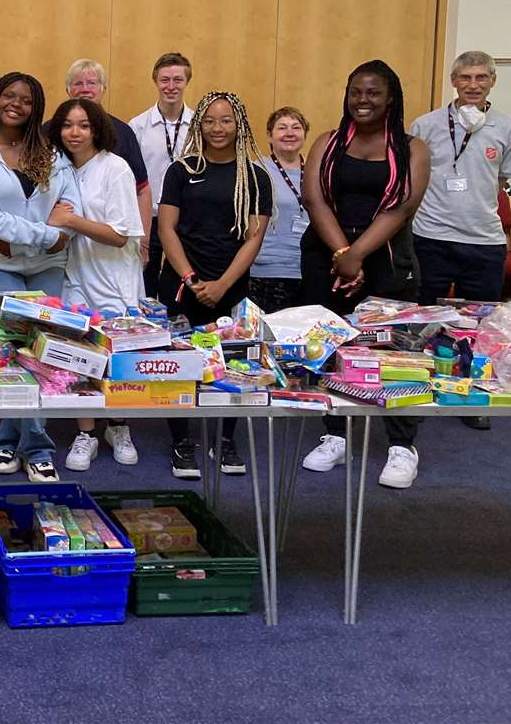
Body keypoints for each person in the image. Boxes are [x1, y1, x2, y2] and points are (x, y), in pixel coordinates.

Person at [300, 61, 431, 489]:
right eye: (356, 91)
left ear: (390, 98)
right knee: (332, 348)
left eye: (373, 93)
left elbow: (402, 206)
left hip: (387, 258)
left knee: (395, 353)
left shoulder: (413, 148)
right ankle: (334, 434)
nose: (363, 100)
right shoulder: (328, 142)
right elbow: (315, 200)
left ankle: (401, 446)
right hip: (328, 256)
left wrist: (357, 255)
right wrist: (342, 253)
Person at [0, 72, 79, 485]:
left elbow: (70, 204)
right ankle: (38, 447)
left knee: (44, 353)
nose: (16, 104)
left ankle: (11, 441)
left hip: (48, 266)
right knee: (12, 352)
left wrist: (46, 235)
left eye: (26, 100)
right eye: (8, 96)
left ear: (37, 108)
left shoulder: (50, 152)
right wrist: (47, 235)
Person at [157, 91, 273, 480]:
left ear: (238, 125)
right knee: (180, 361)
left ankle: (224, 438)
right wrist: (190, 278)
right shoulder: (180, 171)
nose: (217, 128)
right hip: (182, 282)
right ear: (198, 125)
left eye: (225, 121)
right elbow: (166, 228)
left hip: (231, 284)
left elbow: (254, 237)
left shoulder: (255, 177)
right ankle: (182, 439)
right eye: (209, 121)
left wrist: (223, 284)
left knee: (234, 363)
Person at [410, 51, 511, 433]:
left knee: (476, 326)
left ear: (492, 81)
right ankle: (419, 392)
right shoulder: (425, 125)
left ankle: (470, 394)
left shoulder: (509, 128)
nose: (473, 85)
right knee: (424, 321)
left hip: (484, 241)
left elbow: (504, 178)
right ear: (453, 81)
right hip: (431, 236)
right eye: (465, 78)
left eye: (481, 78)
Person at [47, 97, 143, 473]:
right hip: (77, 276)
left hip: (114, 282)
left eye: (83, 125)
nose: (75, 132)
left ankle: (118, 427)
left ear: (97, 129)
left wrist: (69, 220)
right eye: (68, 125)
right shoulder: (62, 169)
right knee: (81, 357)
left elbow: (119, 235)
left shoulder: (115, 167)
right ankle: (85, 432)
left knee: (116, 362)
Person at [66, 59, 152, 265]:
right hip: (66, 250)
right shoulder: (52, 131)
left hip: (113, 248)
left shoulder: (122, 133)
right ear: (68, 89)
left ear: (103, 89)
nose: (85, 89)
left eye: (92, 83)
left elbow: (143, 189)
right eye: (78, 83)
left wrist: (144, 242)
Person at [129, 52, 193, 296]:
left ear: (187, 82)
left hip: (186, 219)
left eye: (178, 80)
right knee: (145, 281)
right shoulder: (137, 126)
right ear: (155, 81)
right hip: (150, 218)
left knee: (179, 282)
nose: (171, 86)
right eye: (165, 80)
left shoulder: (199, 124)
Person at [249, 107, 311, 313]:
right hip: (265, 270)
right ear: (269, 135)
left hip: (306, 270)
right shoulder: (256, 170)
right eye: (282, 128)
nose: (290, 133)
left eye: (296, 127)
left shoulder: (316, 172)